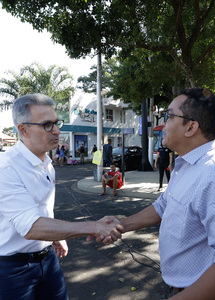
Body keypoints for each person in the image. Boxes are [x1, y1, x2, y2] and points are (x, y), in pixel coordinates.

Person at [99, 88, 215, 299]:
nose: (164, 124)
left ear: (191, 127)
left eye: (169, 116)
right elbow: (163, 206)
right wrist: (121, 224)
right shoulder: (186, 164)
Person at [0, 94, 124, 300]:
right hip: (13, 269)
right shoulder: (6, 168)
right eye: (47, 125)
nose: (57, 130)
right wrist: (94, 226)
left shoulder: (46, 161)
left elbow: (41, 208)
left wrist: (56, 237)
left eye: (56, 123)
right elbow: (30, 226)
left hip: (48, 259)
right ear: (23, 129)